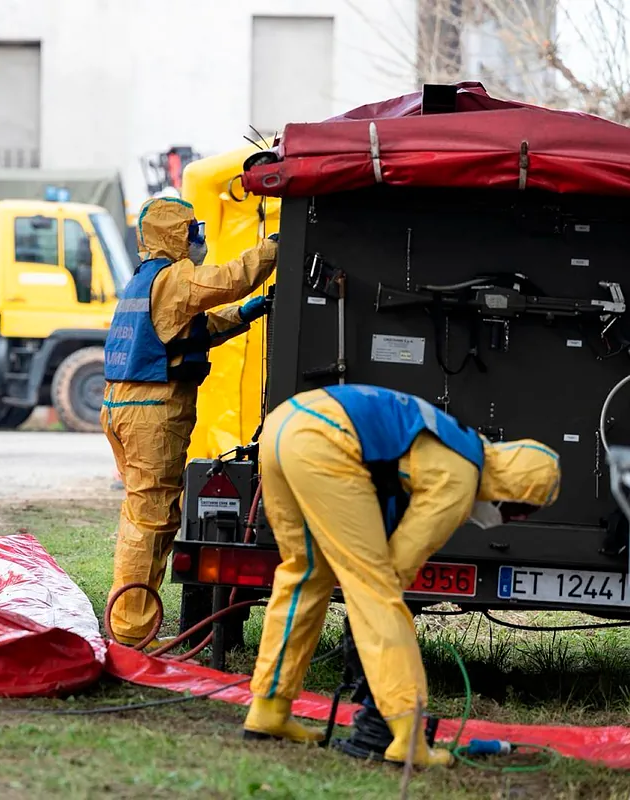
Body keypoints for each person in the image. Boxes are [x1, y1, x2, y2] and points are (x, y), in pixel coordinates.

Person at [244, 384, 560, 766]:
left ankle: (269, 709)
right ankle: (407, 736)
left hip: (284, 425)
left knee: (305, 572)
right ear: (516, 489)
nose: (511, 519)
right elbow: (396, 568)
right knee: (377, 590)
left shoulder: (457, 442)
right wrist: (368, 623)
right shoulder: (461, 476)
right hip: (326, 440)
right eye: (520, 511)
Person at [103, 196, 278, 645]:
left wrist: (245, 314)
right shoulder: (175, 276)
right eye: (193, 233)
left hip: (124, 407)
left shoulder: (145, 281)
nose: (199, 241)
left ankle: (130, 620)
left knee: (145, 515)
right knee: (150, 519)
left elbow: (190, 332)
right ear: (177, 235)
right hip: (152, 412)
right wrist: (274, 247)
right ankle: (131, 631)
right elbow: (229, 279)